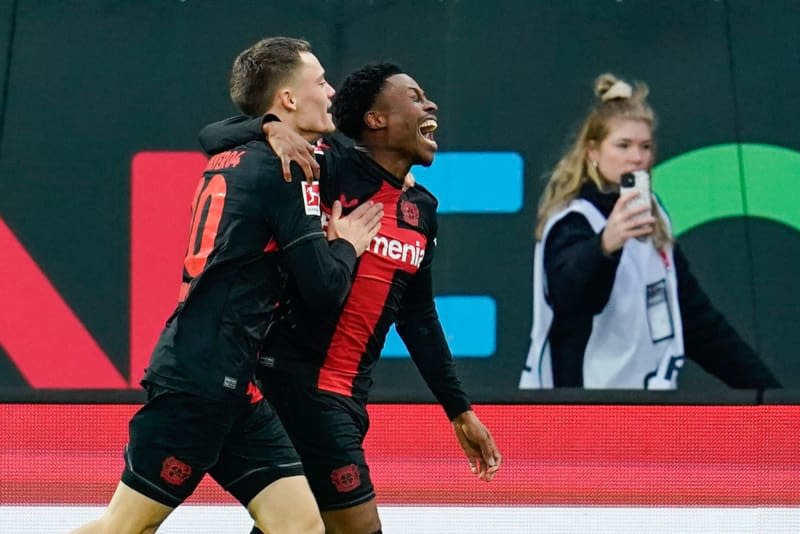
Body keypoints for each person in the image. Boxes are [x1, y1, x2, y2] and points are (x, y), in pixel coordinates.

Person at [70, 37, 385, 534]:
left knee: (300, 526)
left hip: (233, 384)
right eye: (320, 81)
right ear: (286, 100)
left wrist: (267, 127)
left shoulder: (236, 150)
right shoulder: (288, 168)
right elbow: (324, 289)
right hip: (199, 381)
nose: (330, 91)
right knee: (124, 528)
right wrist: (345, 244)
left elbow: (211, 131)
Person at [199, 62, 502, 534]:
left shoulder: (421, 210)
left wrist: (458, 411)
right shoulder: (330, 167)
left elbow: (418, 317)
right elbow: (213, 135)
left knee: (293, 527)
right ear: (377, 119)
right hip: (299, 386)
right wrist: (270, 127)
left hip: (348, 399)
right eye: (415, 97)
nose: (431, 105)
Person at [519, 73, 781, 390]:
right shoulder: (573, 219)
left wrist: (771, 396)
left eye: (645, 146)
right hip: (580, 407)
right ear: (593, 151)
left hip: (645, 403)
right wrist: (605, 247)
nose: (637, 157)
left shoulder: (652, 218)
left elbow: (695, 318)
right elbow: (569, 299)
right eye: (623, 145)